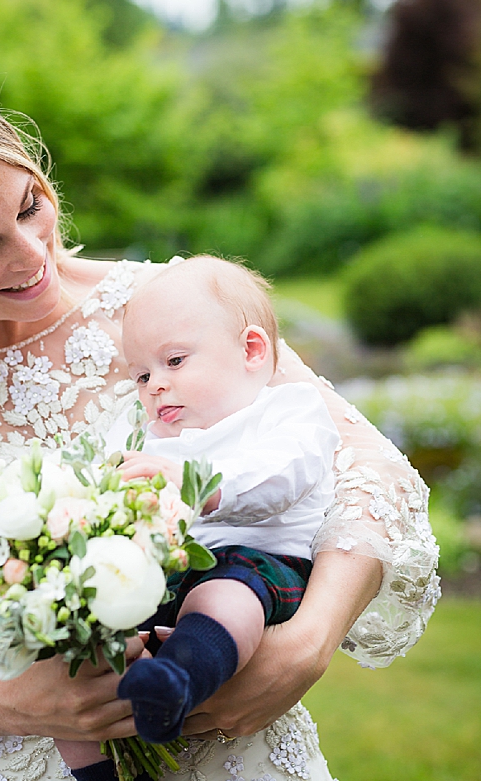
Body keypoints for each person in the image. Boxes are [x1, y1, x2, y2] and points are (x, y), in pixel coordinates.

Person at [0, 75, 440, 781]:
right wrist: (11, 703)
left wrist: (309, 639)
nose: (29, 253)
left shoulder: (168, 303)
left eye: (29, 208)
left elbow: (364, 468)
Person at [101, 255, 339, 743]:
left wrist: (199, 487)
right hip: (166, 568)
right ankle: (102, 756)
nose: (155, 385)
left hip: (256, 562)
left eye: (174, 361)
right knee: (93, 632)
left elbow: (284, 475)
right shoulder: (148, 435)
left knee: (222, 598)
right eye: (142, 376)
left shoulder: (287, 411)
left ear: (252, 350)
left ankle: (175, 684)